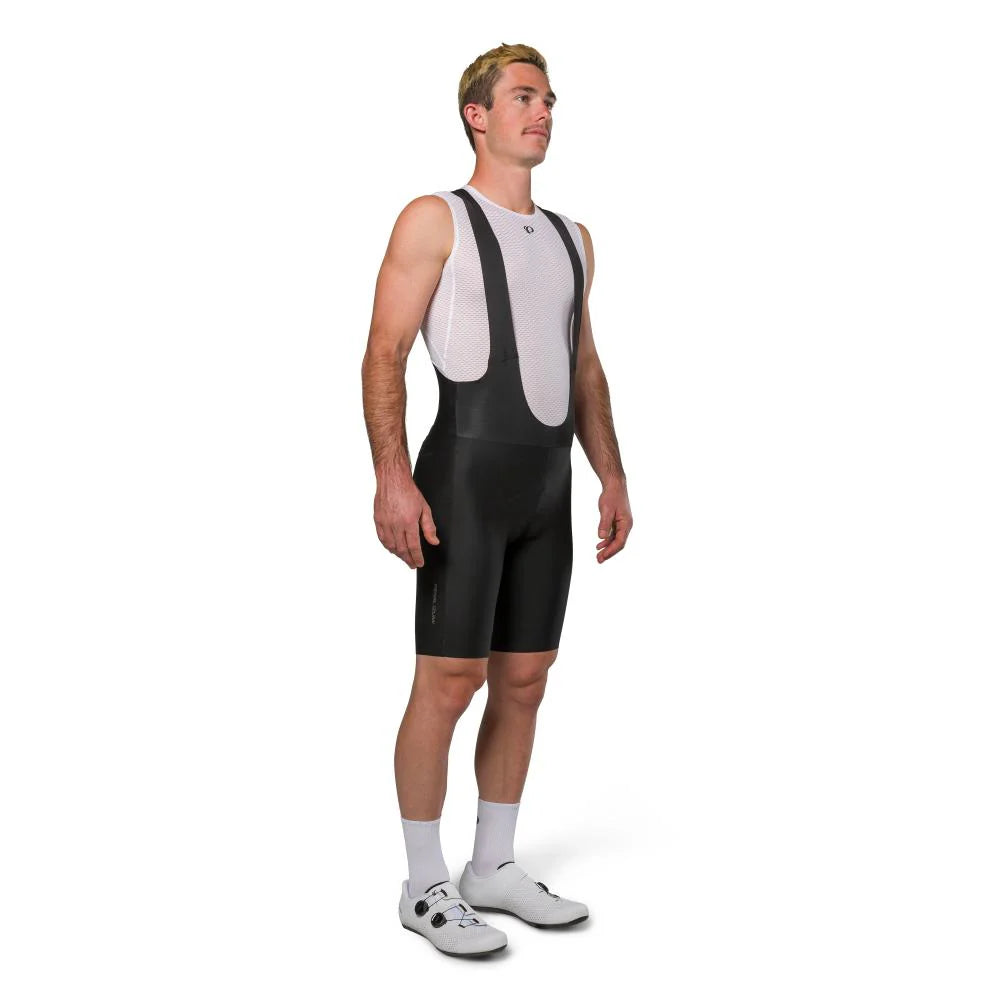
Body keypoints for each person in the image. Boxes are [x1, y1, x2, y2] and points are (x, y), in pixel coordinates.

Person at [361, 42, 632, 958]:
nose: (543, 111)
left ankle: (492, 866)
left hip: (547, 489)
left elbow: (583, 365)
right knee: (449, 682)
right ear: (477, 115)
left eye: (549, 98)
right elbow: (383, 353)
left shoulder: (572, 239)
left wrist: (612, 473)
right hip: (463, 482)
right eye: (523, 97)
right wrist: (391, 477)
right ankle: (423, 884)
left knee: (524, 679)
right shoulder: (433, 218)